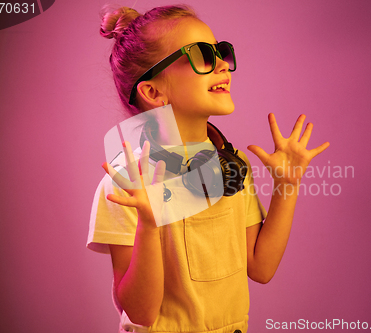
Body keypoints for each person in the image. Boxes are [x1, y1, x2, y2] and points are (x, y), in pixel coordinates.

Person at [87, 5, 329, 333]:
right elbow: (139, 313)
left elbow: (261, 267)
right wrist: (149, 223)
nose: (221, 65)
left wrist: (287, 186)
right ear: (153, 91)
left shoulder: (231, 168)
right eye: (202, 54)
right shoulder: (125, 185)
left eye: (220, 51)